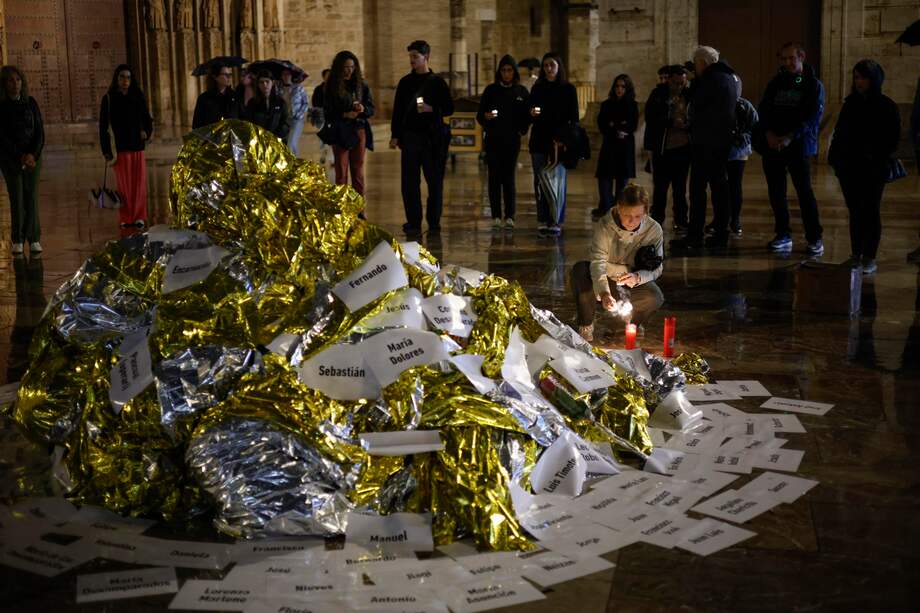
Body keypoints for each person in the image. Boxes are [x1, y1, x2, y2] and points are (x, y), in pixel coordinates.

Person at [828, 60, 901, 275]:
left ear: (874, 79)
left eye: (864, 78)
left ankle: (869, 256)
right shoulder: (851, 104)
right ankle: (856, 254)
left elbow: (892, 139)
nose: (859, 82)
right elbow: (840, 132)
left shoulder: (886, 106)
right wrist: (836, 160)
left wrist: (873, 155)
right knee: (855, 212)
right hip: (849, 167)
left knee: (870, 211)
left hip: (873, 168)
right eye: (856, 77)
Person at [570, 184, 664, 342]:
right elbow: (598, 261)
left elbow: (657, 267)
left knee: (654, 297)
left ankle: (629, 324)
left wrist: (638, 277)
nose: (632, 221)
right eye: (627, 215)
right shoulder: (605, 226)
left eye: (638, 216)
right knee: (580, 270)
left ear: (646, 212)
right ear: (619, 208)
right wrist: (604, 293)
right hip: (605, 277)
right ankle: (586, 323)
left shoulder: (653, 230)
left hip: (630, 281)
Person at [756, 42, 825, 256]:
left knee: (804, 193)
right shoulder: (776, 82)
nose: (787, 62)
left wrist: (790, 136)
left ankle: (814, 237)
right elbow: (763, 110)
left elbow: (813, 117)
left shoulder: (813, 85)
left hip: (798, 146)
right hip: (773, 145)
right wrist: (768, 133)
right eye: (783, 59)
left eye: (791, 58)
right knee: (776, 192)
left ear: (801, 57)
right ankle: (783, 234)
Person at [671, 46, 739, 251]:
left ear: (703, 63)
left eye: (696, 63)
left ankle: (695, 235)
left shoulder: (711, 79)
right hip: (720, 140)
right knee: (719, 188)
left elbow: (698, 103)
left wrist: (694, 84)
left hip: (707, 142)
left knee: (698, 189)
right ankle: (720, 233)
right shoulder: (729, 77)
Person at [390, 40, 454, 234]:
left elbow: (449, 108)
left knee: (434, 182)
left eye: (415, 56)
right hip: (410, 137)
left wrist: (431, 109)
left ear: (426, 57)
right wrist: (395, 135)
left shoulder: (437, 82)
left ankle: (434, 222)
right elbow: (398, 111)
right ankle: (413, 222)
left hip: (432, 139)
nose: (412, 60)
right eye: (410, 56)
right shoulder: (405, 82)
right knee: (409, 182)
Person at [528, 52, 579, 237]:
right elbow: (529, 112)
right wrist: (531, 113)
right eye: (546, 65)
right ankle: (542, 219)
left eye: (552, 65)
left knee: (558, 182)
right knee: (540, 181)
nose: (549, 68)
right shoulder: (537, 88)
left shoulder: (568, 89)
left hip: (558, 142)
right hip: (539, 140)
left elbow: (573, 118)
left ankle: (556, 220)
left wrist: (565, 139)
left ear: (559, 67)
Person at [476, 54, 529, 230]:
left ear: (514, 72)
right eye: (504, 70)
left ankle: (510, 215)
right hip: (493, 140)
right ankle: (496, 215)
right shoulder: (491, 90)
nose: (507, 74)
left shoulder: (521, 92)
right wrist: (486, 116)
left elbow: (527, 115)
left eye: (510, 70)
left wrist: (522, 129)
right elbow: (480, 115)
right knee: (494, 178)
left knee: (508, 177)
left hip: (512, 141)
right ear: (499, 72)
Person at [99, 64, 154, 231]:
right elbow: (103, 127)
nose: (125, 80)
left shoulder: (138, 96)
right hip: (120, 148)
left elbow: (147, 119)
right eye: (122, 77)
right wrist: (106, 150)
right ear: (117, 78)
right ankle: (126, 216)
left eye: (128, 77)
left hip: (137, 146)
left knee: (138, 184)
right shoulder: (109, 99)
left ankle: (139, 216)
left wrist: (147, 132)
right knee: (124, 186)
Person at [0, 65, 43, 255]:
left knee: (31, 196)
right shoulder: (1, 107)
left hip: (33, 158)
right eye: (10, 80)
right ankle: (17, 239)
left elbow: (39, 132)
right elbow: (2, 138)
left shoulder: (31, 103)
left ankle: (34, 238)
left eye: (18, 80)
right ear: (4, 84)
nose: (15, 84)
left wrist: (33, 154)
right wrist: (20, 156)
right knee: (16, 197)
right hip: (11, 160)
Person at [645, 65, 692, 230]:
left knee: (680, 188)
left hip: (683, 148)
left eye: (682, 83)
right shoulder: (658, 94)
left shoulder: (689, 95)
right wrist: (670, 122)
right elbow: (651, 117)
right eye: (675, 83)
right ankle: (657, 219)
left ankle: (681, 220)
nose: (678, 87)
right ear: (669, 80)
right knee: (660, 187)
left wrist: (688, 124)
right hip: (663, 148)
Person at [324, 50, 375, 200]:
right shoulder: (332, 86)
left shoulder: (361, 85)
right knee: (341, 170)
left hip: (358, 129)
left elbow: (371, 109)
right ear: (339, 67)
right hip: (340, 131)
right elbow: (327, 112)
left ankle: (358, 206)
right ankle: (343, 206)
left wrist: (363, 109)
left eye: (352, 67)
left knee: (358, 171)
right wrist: (344, 115)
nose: (349, 70)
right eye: (346, 67)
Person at [592, 74, 638, 219]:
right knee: (604, 180)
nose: (619, 89)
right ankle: (606, 209)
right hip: (609, 146)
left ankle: (619, 212)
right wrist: (617, 126)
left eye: (623, 86)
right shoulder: (606, 104)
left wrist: (614, 124)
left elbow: (631, 125)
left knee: (622, 183)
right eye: (617, 86)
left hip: (624, 148)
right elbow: (603, 125)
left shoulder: (632, 105)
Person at [724, 90, 758, 237]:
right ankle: (722, 219)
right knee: (721, 186)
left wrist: (744, 137)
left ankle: (735, 219)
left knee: (735, 185)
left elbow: (755, 125)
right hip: (720, 150)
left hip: (739, 151)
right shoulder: (718, 103)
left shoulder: (745, 105)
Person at [243, 70, 290, 140]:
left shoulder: (280, 102)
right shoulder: (252, 103)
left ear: (272, 83)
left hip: (276, 140)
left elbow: (285, 123)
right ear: (258, 84)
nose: (264, 85)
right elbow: (248, 122)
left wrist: (275, 136)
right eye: (261, 82)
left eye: (267, 81)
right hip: (259, 140)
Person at [192, 63, 239, 129]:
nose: (229, 77)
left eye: (230, 74)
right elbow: (197, 125)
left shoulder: (235, 96)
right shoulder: (204, 98)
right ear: (215, 77)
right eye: (225, 74)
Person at [279, 68, 308, 155]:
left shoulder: (298, 88)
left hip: (296, 119)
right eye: (284, 74)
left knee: (291, 143)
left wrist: (299, 115)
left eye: (288, 74)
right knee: (288, 143)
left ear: (291, 76)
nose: (286, 76)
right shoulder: (279, 89)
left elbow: (305, 103)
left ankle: (295, 162)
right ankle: (295, 161)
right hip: (285, 119)